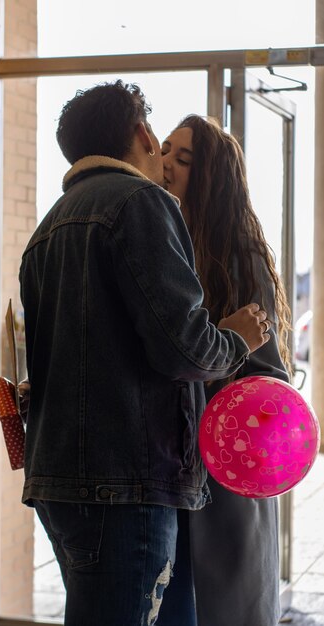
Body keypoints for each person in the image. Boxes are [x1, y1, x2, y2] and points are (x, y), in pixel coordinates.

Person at [0, 82, 270, 626]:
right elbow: (184, 348)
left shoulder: (46, 229)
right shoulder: (139, 202)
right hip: (125, 486)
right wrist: (236, 337)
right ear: (141, 132)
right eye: (160, 143)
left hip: (60, 483)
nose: (164, 162)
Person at [158, 114, 291, 626]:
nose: (165, 163)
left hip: (227, 463)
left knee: (227, 606)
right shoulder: (161, 239)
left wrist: (210, 363)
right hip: (171, 462)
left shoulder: (241, 253)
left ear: (213, 178)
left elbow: (267, 375)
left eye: (182, 158)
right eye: (165, 150)